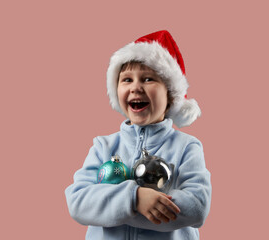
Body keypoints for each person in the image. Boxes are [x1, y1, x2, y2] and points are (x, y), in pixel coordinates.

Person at [65, 30, 211, 240]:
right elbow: (78, 201)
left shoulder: (187, 147)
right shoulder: (103, 146)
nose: (135, 87)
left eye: (148, 79)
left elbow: (197, 206)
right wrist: (134, 199)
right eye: (126, 80)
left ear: (170, 94)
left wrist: (112, 209)